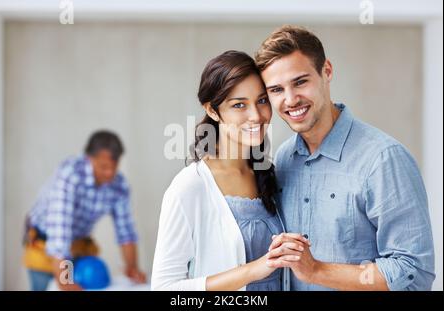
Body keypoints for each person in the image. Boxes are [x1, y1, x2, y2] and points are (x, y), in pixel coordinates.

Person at [255, 25, 435, 290]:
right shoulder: (283, 159)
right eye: (276, 90)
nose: (290, 99)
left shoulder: (383, 159)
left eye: (300, 82)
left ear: (326, 71)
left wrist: (317, 270)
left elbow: (414, 272)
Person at [151, 50, 292, 291]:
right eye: (239, 105)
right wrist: (253, 270)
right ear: (213, 110)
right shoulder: (190, 187)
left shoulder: (272, 175)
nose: (256, 116)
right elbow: (165, 289)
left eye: (261, 100)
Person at [23, 130, 146, 290]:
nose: (109, 173)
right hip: (43, 243)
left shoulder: (119, 186)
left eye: (114, 167)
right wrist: (65, 281)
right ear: (89, 158)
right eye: (103, 167)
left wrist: (132, 267)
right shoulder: (70, 175)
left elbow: (126, 232)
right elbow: (60, 231)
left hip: (77, 247)